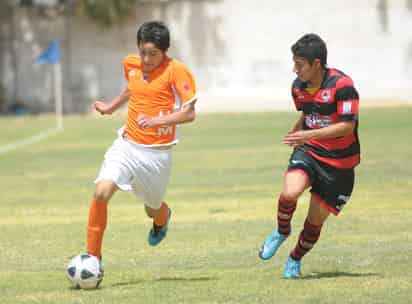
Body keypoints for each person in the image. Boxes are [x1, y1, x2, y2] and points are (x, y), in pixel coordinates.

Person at [86, 21, 197, 266]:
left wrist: (159, 121)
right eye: (142, 51)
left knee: (152, 208)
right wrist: (110, 107)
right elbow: (131, 89)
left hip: (156, 155)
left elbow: (190, 114)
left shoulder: (176, 71)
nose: (146, 59)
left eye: (153, 54)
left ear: (165, 51)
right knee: (101, 191)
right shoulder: (131, 63)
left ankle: (162, 217)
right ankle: (93, 258)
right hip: (126, 145)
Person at [258, 33, 360, 279]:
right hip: (310, 152)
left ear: (316, 64)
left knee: (314, 224)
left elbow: (347, 126)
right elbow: (309, 111)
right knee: (290, 192)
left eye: (299, 64)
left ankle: (294, 259)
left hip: (340, 165)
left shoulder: (342, 86)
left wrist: (307, 135)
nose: (295, 70)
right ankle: (281, 232)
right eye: (294, 63)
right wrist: (299, 130)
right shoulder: (298, 88)